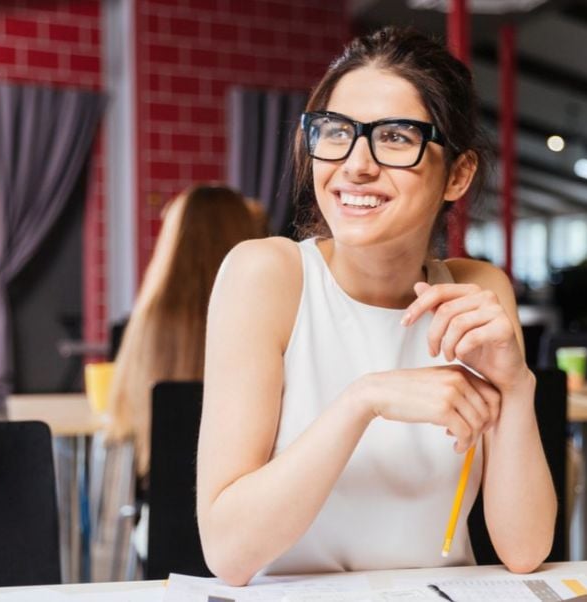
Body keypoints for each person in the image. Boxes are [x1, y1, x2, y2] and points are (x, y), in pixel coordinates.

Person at [197, 27, 556, 585]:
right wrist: (364, 399)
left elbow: (524, 550)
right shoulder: (265, 275)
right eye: (336, 132)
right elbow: (227, 552)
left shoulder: (477, 291)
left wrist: (516, 386)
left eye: (394, 137)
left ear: (457, 174)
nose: (355, 165)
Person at [108, 184, 261, 477]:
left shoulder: (149, 318)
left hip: (160, 512)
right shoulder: (267, 317)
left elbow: (121, 417)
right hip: (249, 503)